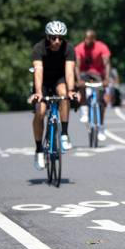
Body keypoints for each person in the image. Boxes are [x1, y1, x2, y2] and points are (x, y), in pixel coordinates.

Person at [29, 21, 79, 170]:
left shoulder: (68, 48)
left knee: (64, 94)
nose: (57, 41)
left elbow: (69, 72)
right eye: (53, 37)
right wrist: (38, 93)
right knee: (41, 111)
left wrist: (71, 90)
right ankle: (38, 149)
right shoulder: (38, 48)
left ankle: (64, 133)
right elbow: (38, 71)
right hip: (43, 81)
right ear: (47, 37)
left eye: (60, 38)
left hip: (59, 79)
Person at [74, 29, 111, 141]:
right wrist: (78, 79)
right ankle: (84, 108)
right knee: (81, 85)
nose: (86, 41)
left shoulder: (101, 47)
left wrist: (107, 78)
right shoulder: (79, 48)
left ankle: (101, 127)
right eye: (85, 38)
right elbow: (76, 65)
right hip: (84, 73)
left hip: (98, 74)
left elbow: (107, 63)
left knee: (101, 101)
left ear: (94, 39)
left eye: (89, 39)